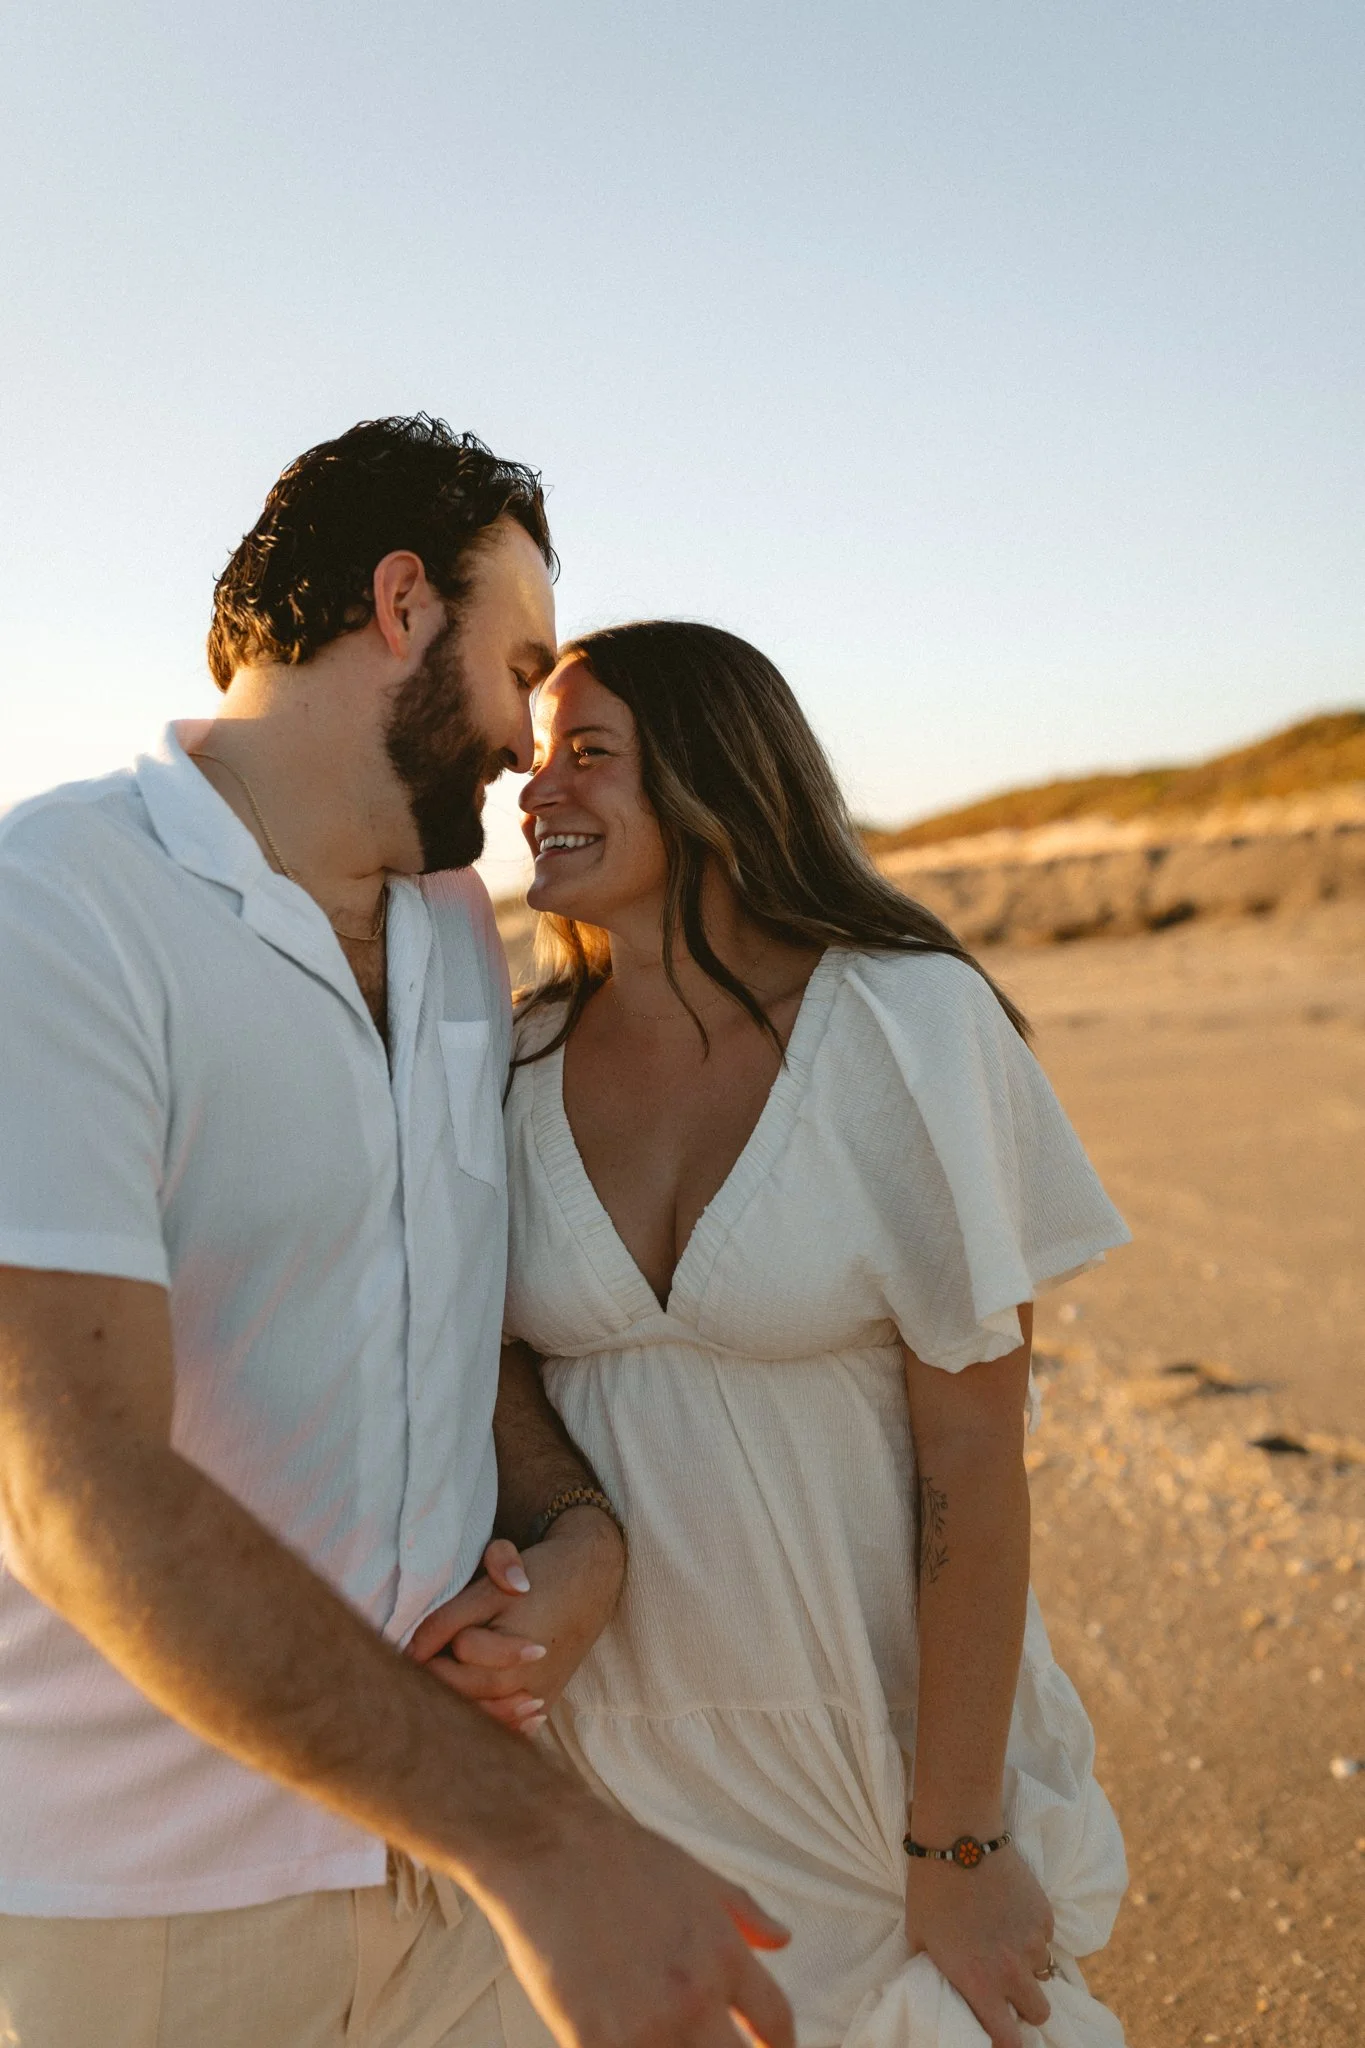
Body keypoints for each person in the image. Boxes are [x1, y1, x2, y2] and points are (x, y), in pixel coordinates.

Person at [0, 430, 794, 2048]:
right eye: (518, 664)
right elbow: (67, 1481)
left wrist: (581, 1539)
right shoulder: (55, 911)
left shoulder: (451, 930)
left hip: (447, 1883)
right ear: (398, 604)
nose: (526, 737)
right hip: (145, 1914)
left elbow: (450, 1322)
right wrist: (547, 1845)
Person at [414, 622, 1132, 2048]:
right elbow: (473, 1352)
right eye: (538, 755)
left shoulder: (908, 1028)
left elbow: (977, 1457)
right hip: (607, 1769)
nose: (536, 787)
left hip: (875, 1765)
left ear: (717, 778)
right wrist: (573, 1540)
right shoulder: (516, 1060)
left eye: (590, 754)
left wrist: (959, 1845)